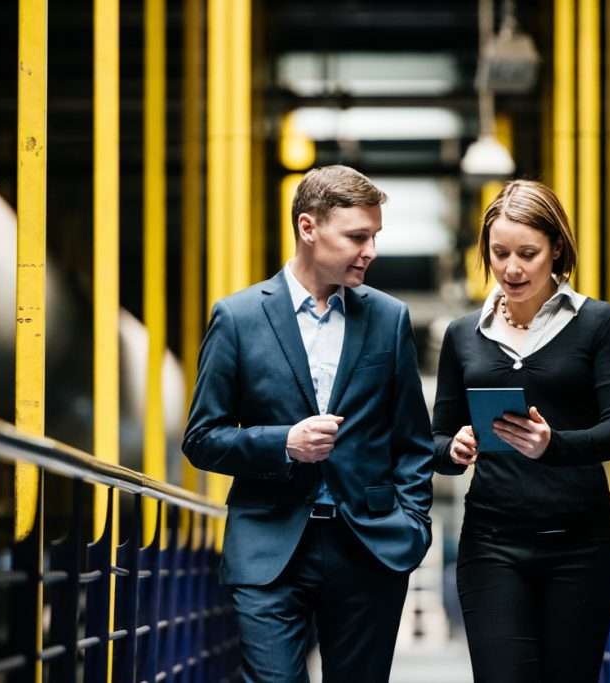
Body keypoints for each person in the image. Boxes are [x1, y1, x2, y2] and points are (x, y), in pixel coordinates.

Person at [182, 165, 433, 682]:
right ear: (308, 227)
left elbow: (412, 440)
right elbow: (203, 438)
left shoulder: (389, 320)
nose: (371, 251)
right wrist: (284, 444)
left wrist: (413, 526)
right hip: (268, 549)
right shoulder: (238, 317)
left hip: (369, 548)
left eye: (375, 237)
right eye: (358, 237)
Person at [432, 179, 610, 682]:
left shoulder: (600, 325)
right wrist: (455, 448)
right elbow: (433, 442)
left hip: (580, 546)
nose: (512, 267)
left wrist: (554, 444)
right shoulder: (463, 335)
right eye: (500, 253)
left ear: (557, 249)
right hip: (491, 546)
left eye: (528, 252)